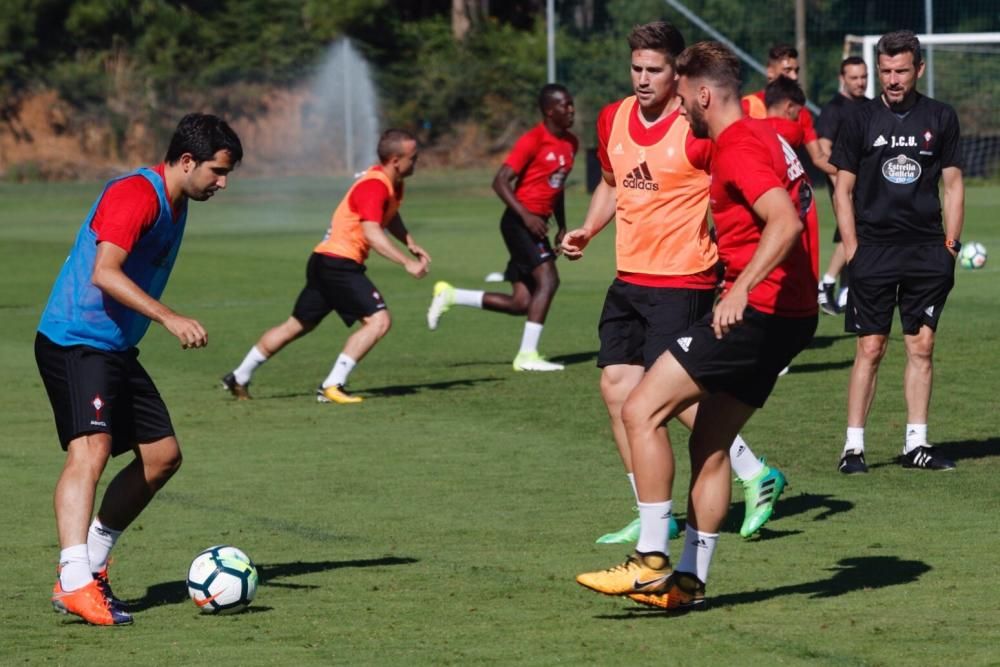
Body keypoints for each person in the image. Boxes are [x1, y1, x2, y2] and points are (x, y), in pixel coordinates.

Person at [575, 40, 818, 611]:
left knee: (640, 408)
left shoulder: (735, 148)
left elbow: (782, 223)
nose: (680, 110)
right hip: (793, 315)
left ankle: (651, 557)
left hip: (759, 311)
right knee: (710, 443)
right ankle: (690, 580)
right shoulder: (768, 135)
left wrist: (739, 287)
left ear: (703, 94)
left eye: (684, 99)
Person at [35, 113, 243, 625]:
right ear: (187, 160)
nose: (222, 183)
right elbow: (104, 272)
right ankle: (72, 577)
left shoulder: (177, 201)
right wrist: (169, 317)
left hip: (114, 349)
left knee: (162, 457)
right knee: (93, 448)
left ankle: (95, 565)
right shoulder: (136, 194)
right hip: (75, 341)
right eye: (217, 171)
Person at [831, 31, 963, 474]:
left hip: (927, 251)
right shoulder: (858, 119)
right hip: (874, 251)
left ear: (919, 69)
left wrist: (951, 246)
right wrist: (852, 251)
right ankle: (853, 448)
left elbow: (953, 184)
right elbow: (842, 189)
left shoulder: (940, 117)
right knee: (871, 347)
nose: (891, 79)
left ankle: (916, 444)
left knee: (921, 347)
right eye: (885, 71)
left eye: (901, 70)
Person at [223, 129, 430, 403]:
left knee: (295, 326)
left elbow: (388, 215)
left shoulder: (392, 183)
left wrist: (409, 242)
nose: (416, 162)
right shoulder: (374, 185)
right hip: (338, 264)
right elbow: (372, 232)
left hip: (325, 260)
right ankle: (332, 386)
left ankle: (239, 376)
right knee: (379, 321)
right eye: (413, 158)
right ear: (395, 160)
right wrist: (406, 262)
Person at [425, 84, 577, 371]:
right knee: (549, 280)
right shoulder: (533, 140)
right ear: (549, 110)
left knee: (521, 302)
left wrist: (562, 226)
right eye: (565, 105)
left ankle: (451, 295)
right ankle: (527, 356)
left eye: (571, 104)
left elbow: (556, 187)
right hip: (520, 225)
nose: (571, 109)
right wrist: (527, 216)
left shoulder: (571, 143)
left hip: (539, 226)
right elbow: (500, 181)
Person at [816, 56, 870, 315]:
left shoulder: (872, 107)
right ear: (842, 79)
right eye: (854, 78)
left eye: (864, 77)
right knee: (853, 231)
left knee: (854, 233)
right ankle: (826, 285)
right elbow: (823, 152)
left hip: (869, 184)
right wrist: (840, 181)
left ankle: (848, 292)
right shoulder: (834, 109)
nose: (860, 83)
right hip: (843, 183)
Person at [742, 44, 836, 178]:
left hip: (785, 187)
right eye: (787, 70)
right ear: (770, 71)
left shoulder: (801, 112)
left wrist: (854, 169)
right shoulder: (747, 105)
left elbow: (819, 157)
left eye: (796, 71)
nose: (794, 76)